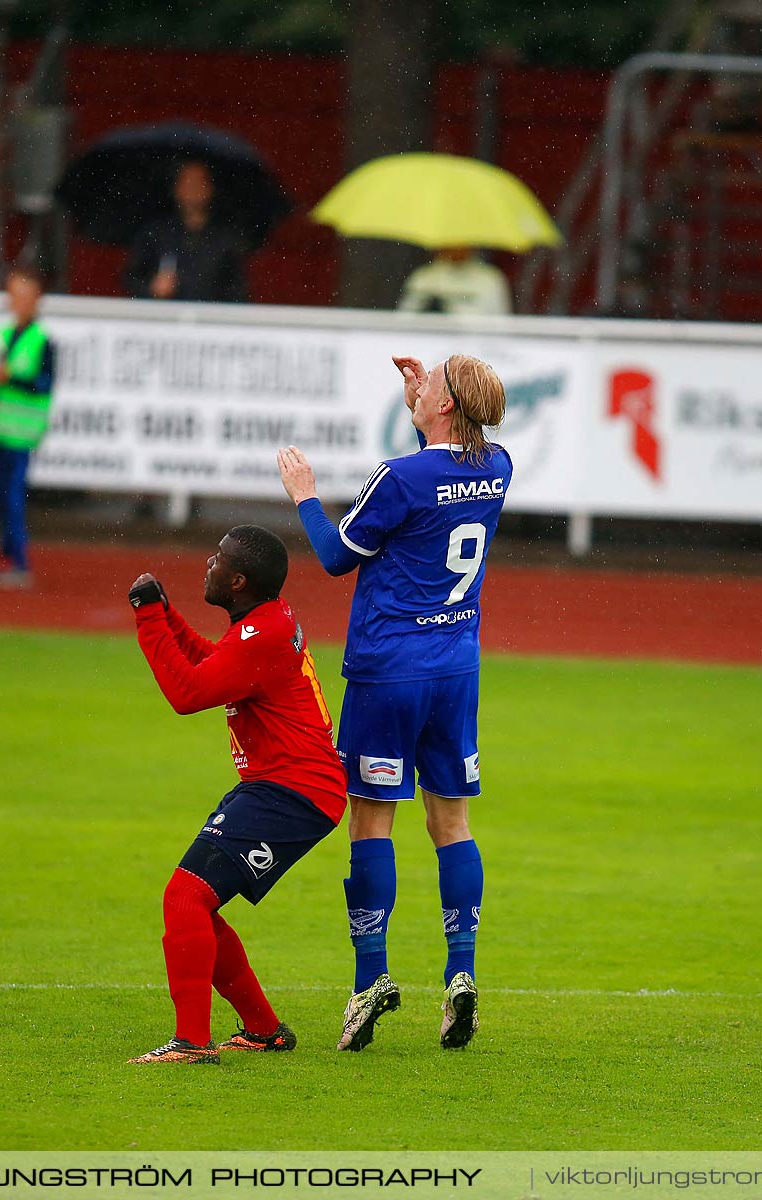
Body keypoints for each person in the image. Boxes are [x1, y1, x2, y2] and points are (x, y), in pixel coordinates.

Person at [276, 352, 509, 1052]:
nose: (420, 383)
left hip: (387, 673)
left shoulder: (398, 477)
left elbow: (336, 557)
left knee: (371, 825)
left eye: (430, 380)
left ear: (443, 407)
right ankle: (460, 975)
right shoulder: (496, 463)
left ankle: (370, 979)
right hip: (455, 669)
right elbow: (439, 480)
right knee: (451, 823)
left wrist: (304, 496)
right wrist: (423, 410)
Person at [125, 524, 347, 1066]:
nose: (209, 562)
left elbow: (188, 692)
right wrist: (172, 616)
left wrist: (149, 618)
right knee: (198, 906)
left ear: (240, 580)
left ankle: (191, 1043)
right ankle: (263, 1030)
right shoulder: (267, 621)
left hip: (293, 791)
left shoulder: (262, 633)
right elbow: (213, 666)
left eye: (218, 560)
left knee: (183, 899)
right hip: (285, 785)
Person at [0, 266, 55, 590]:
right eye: (12, 295)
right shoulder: (3, 335)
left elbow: (44, 383)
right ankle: (8, 560)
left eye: (21, 295)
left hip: (22, 433)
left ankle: (19, 564)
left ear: (35, 300)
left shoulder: (42, 341)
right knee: (3, 497)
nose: (15, 302)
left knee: (13, 498)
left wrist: (9, 377)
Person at [122, 161, 249, 304]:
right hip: (164, 319)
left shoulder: (225, 238)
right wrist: (151, 289)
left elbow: (237, 292)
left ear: (210, 188)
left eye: (198, 182)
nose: (192, 189)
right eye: (186, 182)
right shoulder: (155, 232)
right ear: (176, 188)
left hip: (208, 321)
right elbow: (131, 278)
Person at [397, 247, 511, 316]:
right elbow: (405, 321)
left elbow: (501, 326)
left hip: (476, 350)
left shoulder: (491, 279)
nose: (458, 245)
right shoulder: (422, 277)